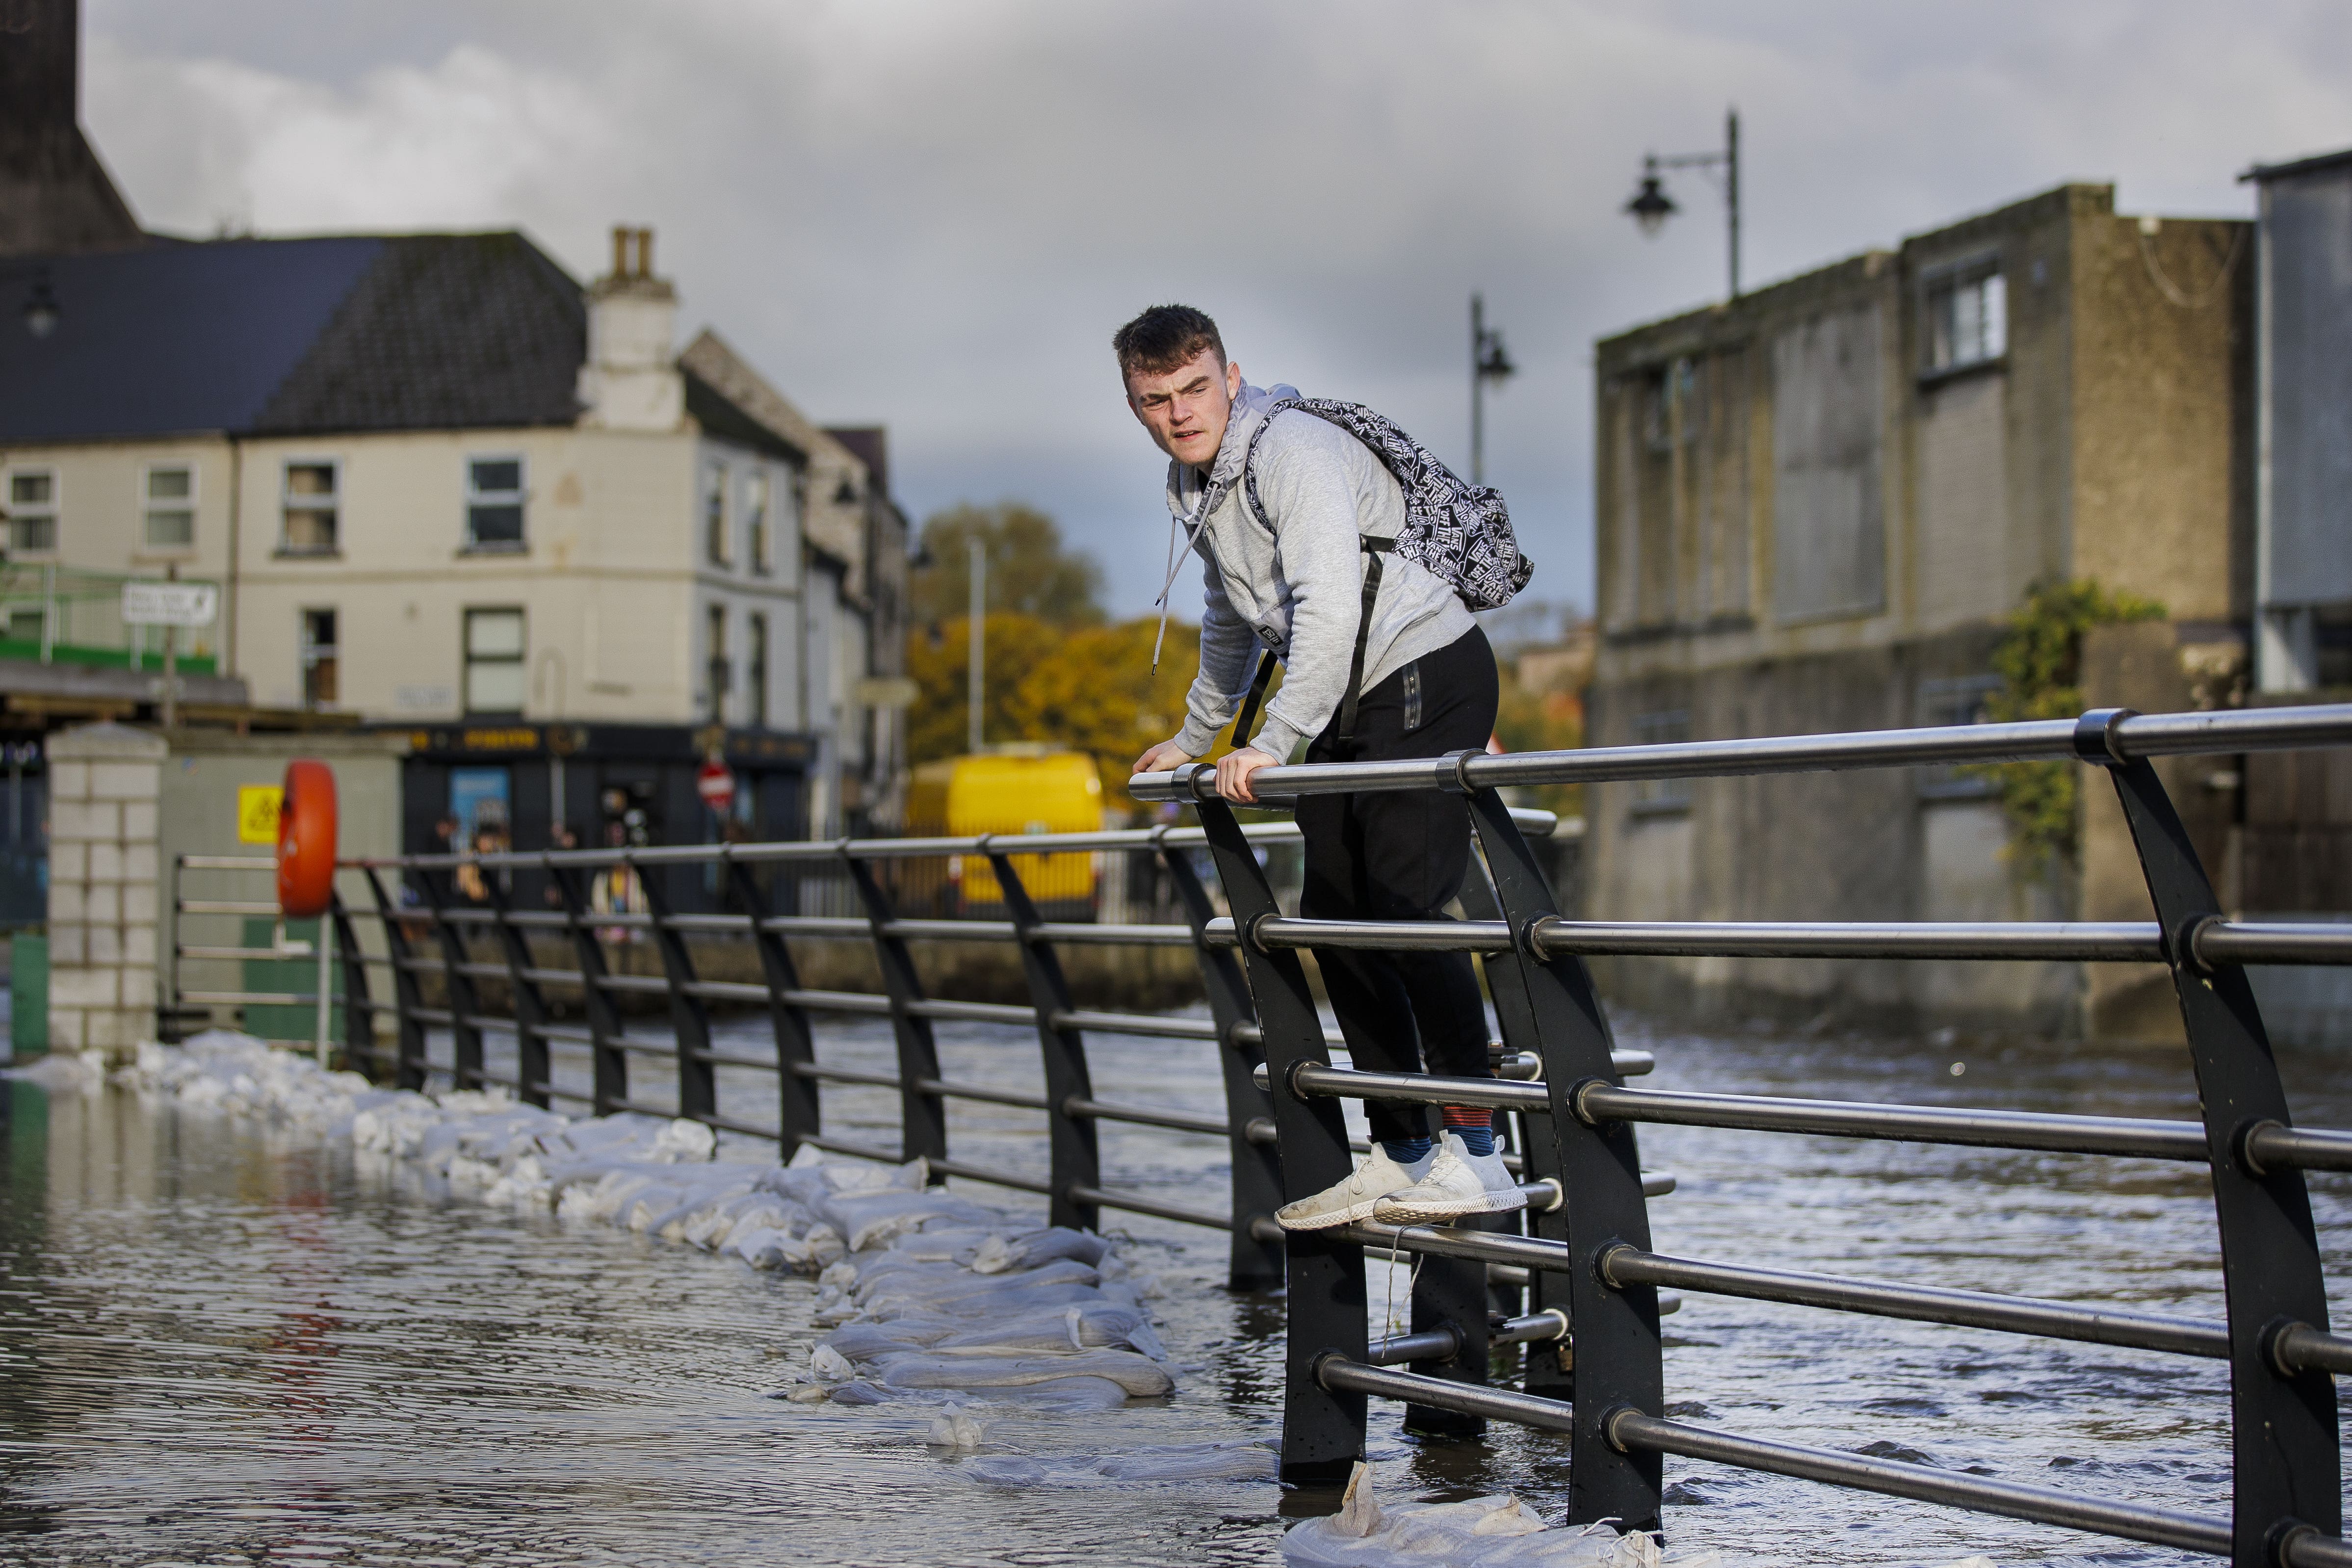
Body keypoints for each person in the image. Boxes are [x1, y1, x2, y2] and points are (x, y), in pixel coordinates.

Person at [1118, 303, 1523, 1230]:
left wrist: (1271, 740)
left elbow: (1329, 606)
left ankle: (1479, 1153)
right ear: (1135, 408)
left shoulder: (1289, 451)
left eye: (1194, 388)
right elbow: (1230, 616)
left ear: (1228, 374)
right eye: (1156, 400)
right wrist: (1196, 737)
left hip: (1420, 666)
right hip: (1347, 686)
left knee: (1406, 903)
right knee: (1335, 920)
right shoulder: (1195, 483)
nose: (1181, 413)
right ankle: (1403, 1150)